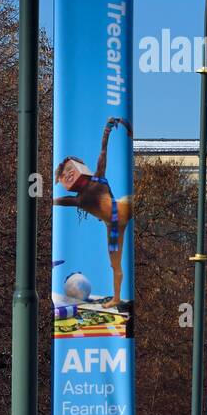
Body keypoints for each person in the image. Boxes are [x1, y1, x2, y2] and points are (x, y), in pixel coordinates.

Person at [53, 116, 134, 308]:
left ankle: (116, 298)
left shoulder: (95, 182)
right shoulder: (82, 195)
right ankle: (116, 297)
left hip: (118, 212)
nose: (69, 176)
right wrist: (108, 129)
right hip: (114, 223)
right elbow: (58, 201)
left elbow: (103, 151)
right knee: (114, 264)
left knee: (115, 264)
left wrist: (109, 129)